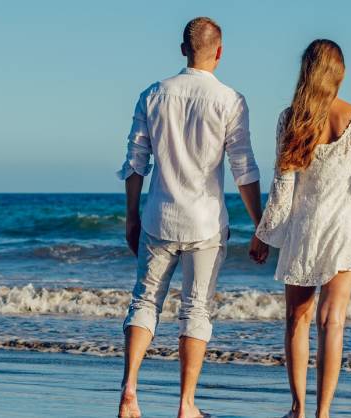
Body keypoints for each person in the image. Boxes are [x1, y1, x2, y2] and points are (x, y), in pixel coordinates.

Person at [116, 16, 269, 418]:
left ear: (183, 49)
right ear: (219, 52)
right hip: (205, 223)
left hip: (158, 217)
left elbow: (135, 162)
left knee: (144, 301)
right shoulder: (230, 100)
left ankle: (130, 389)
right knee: (196, 310)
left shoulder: (153, 94)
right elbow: (244, 169)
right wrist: (260, 225)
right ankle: (186, 405)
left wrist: (131, 216)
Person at [254, 39, 351, 418]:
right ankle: (323, 413)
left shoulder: (291, 119)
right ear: (340, 74)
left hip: (305, 231)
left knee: (296, 320)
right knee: (333, 322)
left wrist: (264, 234)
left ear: (306, 72)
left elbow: (281, 188)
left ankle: (298, 409)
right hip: (347, 231)